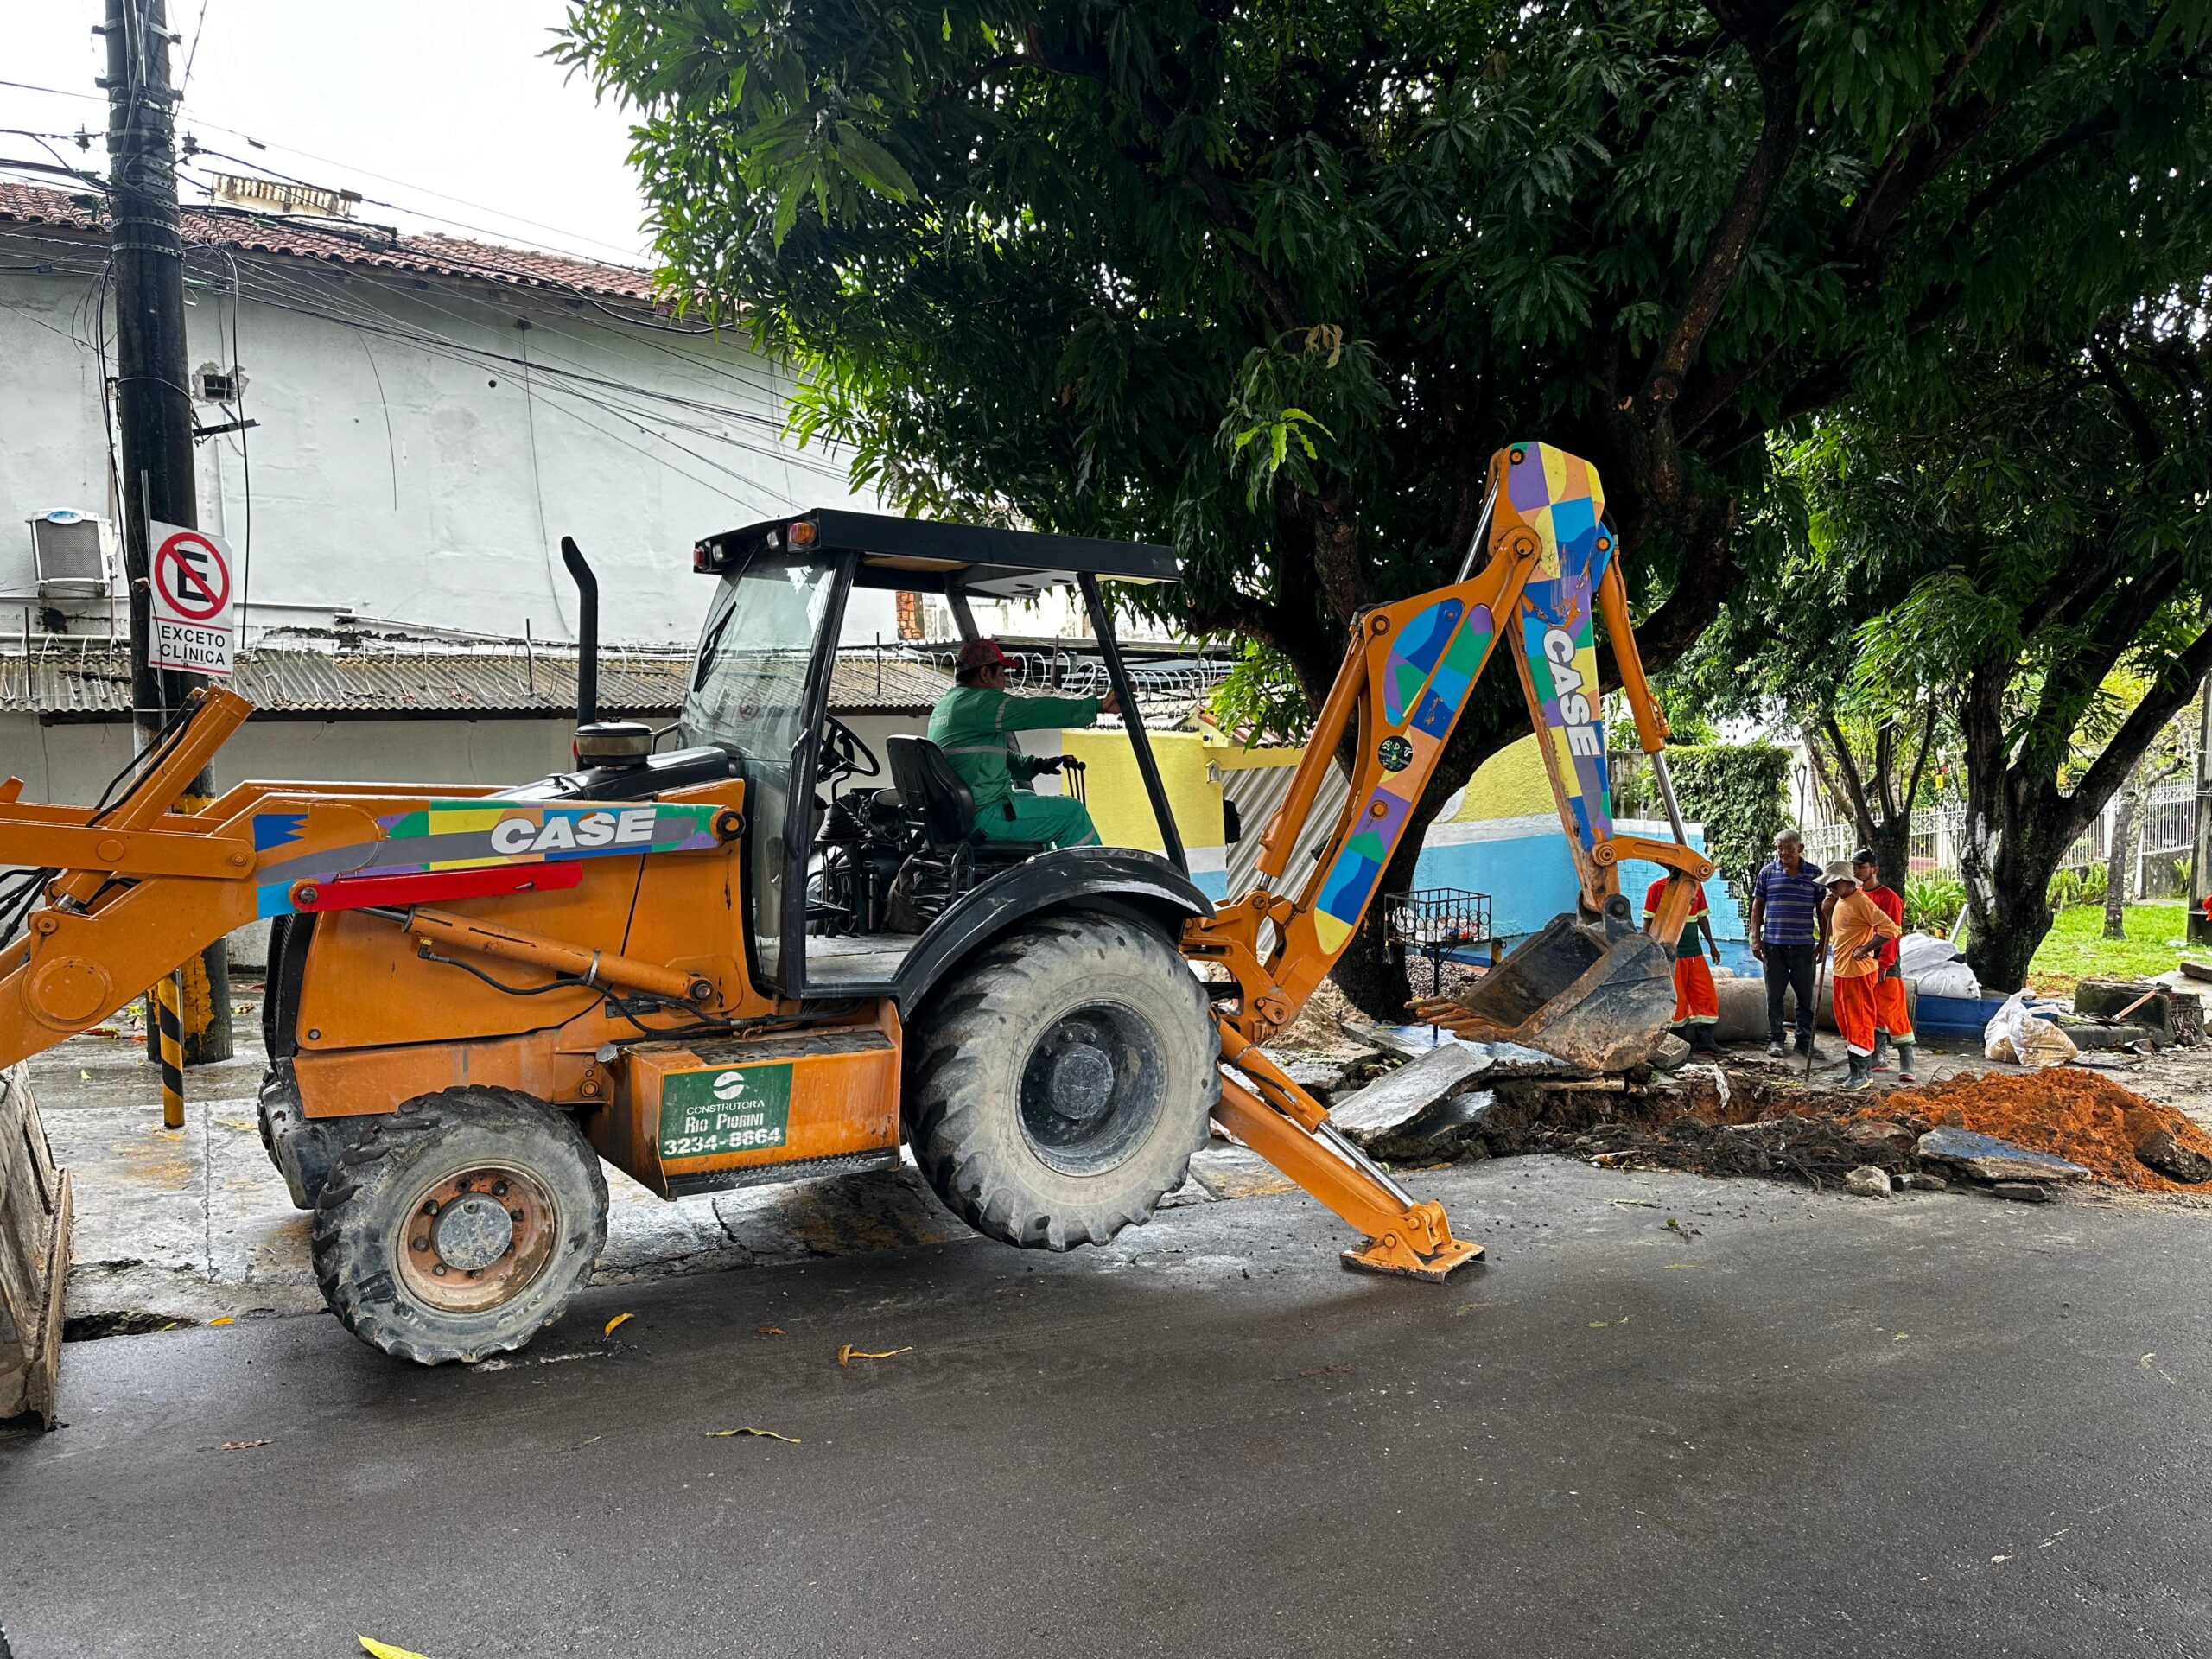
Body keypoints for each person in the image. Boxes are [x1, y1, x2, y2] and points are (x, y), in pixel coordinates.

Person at [927, 638, 1117, 849]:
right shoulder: (979, 702)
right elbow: (1033, 711)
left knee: (1028, 796)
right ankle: (1095, 879)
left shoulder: (946, 705)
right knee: (1072, 812)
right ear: (984, 674)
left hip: (963, 814)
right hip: (982, 816)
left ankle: (1042, 875)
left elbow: (989, 757)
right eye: (1001, 674)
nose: (1004, 683)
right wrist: (1098, 706)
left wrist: (1036, 765)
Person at [1747, 830, 1829, 1059]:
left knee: (1805, 998)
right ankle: (1775, 1039)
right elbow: (1757, 906)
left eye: (1789, 849)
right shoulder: (1767, 872)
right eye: (1780, 849)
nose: (1784, 854)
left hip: (1804, 947)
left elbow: (1823, 913)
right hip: (1774, 946)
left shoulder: (1815, 874)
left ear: (1800, 849)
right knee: (1774, 996)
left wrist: (1824, 943)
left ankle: (1804, 1043)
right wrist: (1756, 938)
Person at [1822, 861, 1903, 1090]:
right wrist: (1825, 910)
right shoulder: (1841, 901)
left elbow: (1891, 929)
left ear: (1847, 882)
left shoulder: (1860, 901)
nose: (1831, 888)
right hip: (1842, 971)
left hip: (1858, 973)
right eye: (1829, 885)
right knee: (1846, 1022)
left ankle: (1861, 1074)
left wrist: (1865, 948)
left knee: (1859, 1022)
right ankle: (1857, 1071)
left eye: (1834, 884)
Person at [1851, 848, 1917, 1084]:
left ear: (1874, 869)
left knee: (1894, 1010)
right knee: (1871, 1009)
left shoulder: (1889, 898)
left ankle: (1907, 1062)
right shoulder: (1857, 895)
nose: (1858, 870)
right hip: (1863, 961)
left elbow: (1892, 933)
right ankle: (1877, 1057)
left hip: (1885, 962)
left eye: (1862, 866)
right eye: (1855, 866)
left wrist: (1885, 964)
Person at [1643, 872, 1725, 1055]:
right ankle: (1679, 1044)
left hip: (1694, 953)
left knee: (1705, 994)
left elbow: (1702, 918)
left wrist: (1712, 945)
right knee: (1676, 998)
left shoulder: (1695, 887)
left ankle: (1706, 1042)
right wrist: (1648, 953)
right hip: (1671, 955)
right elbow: (1648, 922)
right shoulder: (1656, 889)